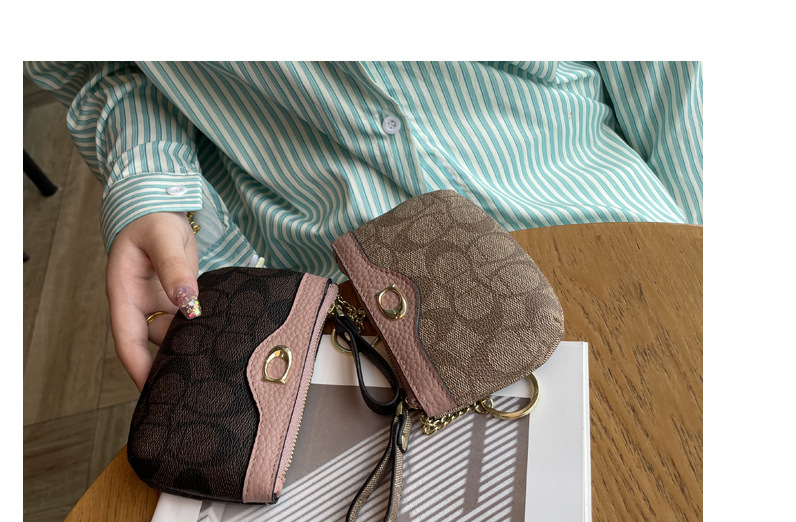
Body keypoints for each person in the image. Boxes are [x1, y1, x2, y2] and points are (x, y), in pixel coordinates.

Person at [24, 61, 703, 391]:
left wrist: (705, 243)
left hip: (600, 208)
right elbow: (95, 68)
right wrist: (152, 181)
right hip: (347, 309)